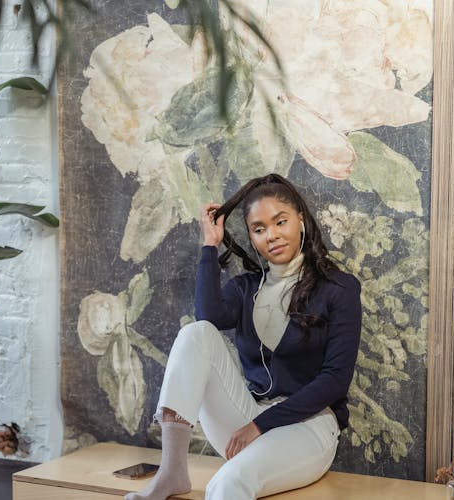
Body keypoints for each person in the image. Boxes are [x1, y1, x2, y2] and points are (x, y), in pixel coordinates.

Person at [124, 174, 362, 500]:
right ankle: (172, 471)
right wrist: (210, 244)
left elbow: (335, 380)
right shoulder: (247, 288)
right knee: (196, 333)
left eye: (281, 222)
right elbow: (208, 317)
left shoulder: (339, 289)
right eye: (259, 229)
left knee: (226, 483)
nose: (272, 236)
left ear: (301, 221)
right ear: (251, 236)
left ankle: (212, 469)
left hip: (309, 427)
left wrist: (261, 425)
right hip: (248, 417)